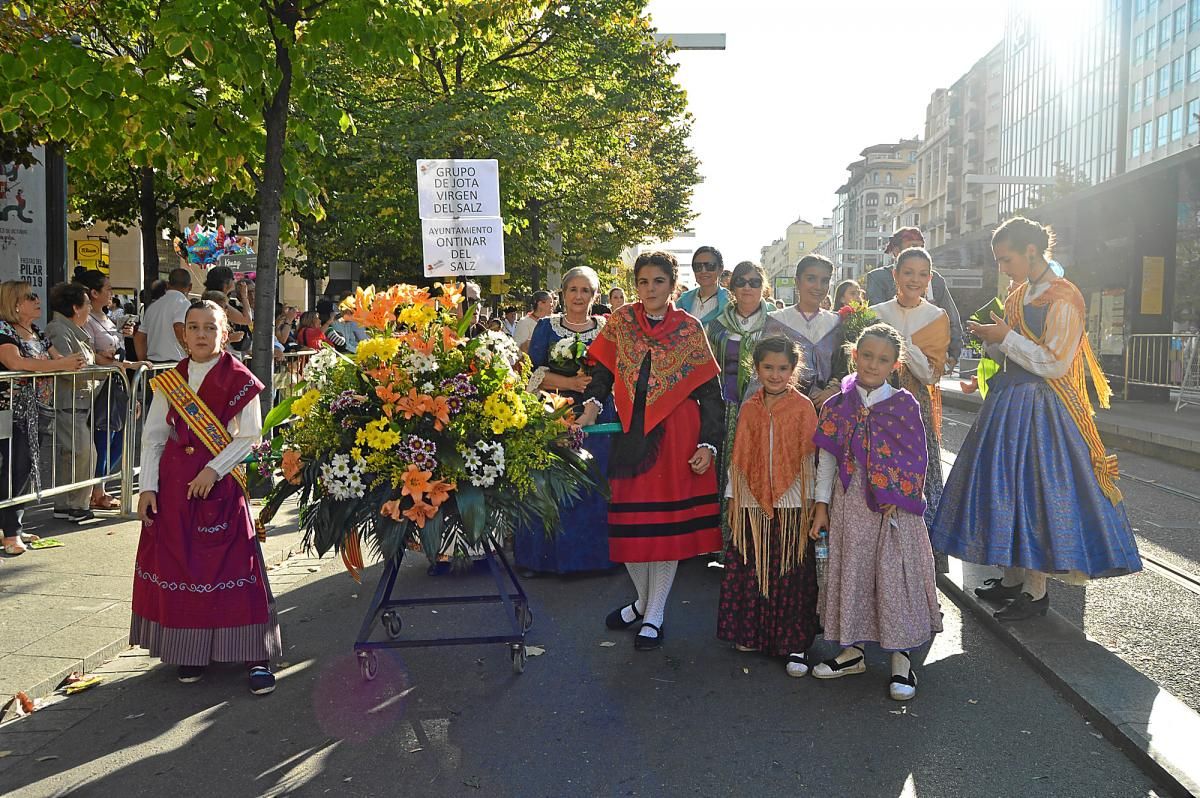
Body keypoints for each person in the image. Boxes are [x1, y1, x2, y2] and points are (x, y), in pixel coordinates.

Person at [930, 217, 1142, 621]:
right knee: (1003, 489)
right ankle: (1011, 579)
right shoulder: (1019, 294)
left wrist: (1004, 337)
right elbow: (1014, 355)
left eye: (1006, 259)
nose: (1002, 268)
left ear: (1031, 251)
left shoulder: (1064, 298)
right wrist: (993, 342)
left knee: (1037, 492)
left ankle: (1036, 590)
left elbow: (1055, 362)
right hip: (1009, 403)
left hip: (1045, 409)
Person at [576, 251, 723, 650]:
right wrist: (590, 406)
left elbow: (711, 394)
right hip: (630, 432)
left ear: (673, 285)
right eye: (643, 282)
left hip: (677, 434)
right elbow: (603, 373)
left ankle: (654, 613)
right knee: (630, 525)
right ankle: (643, 603)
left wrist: (708, 443)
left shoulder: (689, 328)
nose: (650, 289)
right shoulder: (621, 322)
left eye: (658, 281)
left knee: (665, 531)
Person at [131, 300, 280, 693]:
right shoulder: (171, 380)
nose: (200, 335)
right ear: (183, 334)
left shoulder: (240, 379)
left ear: (224, 334)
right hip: (175, 490)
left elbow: (249, 437)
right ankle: (191, 651)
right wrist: (147, 486)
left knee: (234, 569)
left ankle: (255, 655)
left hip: (221, 489)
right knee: (182, 566)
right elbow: (154, 437)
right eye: (193, 327)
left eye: (209, 328)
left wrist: (213, 470)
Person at [809, 323, 941, 701]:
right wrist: (822, 506)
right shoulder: (837, 405)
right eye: (866, 355)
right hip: (850, 504)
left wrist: (899, 494)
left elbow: (919, 458)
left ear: (894, 364)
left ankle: (901, 656)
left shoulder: (904, 405)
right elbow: (828, 460)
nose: (872, 364)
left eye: (882, 359)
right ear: (854, 355)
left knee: (894, 574)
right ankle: (854, 651)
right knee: (854, 572)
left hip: (891, 509)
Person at [717, 336, 820, 675]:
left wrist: (814, 504)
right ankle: (754, 634)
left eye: (783, 368)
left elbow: (810, 458)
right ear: (756, 368)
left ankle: (794, 643)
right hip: (751, 499)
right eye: (768, 368)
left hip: (793, 501)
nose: (775, 375)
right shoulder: (749, 407)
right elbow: (740, 458)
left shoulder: (804, 407)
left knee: (790, 571)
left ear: (794, 370)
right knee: (754, 568)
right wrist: (733, 498)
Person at [516, 266, 615, 574]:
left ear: (595, 295)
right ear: (562, 294)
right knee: (550, 484)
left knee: (591, 484)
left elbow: (612, 372)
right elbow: (531, 374)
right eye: (573, 289)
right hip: (553, 412)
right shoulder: (546, 327)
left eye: (586, 290)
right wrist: (569, 383)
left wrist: (593, 392)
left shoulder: (605, 327)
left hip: (596, 416)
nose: (579, 296)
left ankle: (594, 560)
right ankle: (541, 560)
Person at [0, 282, 86, 554]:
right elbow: (16, 363)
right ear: (14, 302)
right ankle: (11, 532)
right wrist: (60, 364)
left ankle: (14, 527)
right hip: (10, 411)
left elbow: (58, 358)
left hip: (39, 409)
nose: (38, 300)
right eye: (30, 297)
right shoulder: (4, 329)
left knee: (26, 468)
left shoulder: (35, 331)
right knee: (15, 467)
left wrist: (73, 361)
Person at [870, 247, 950, 528]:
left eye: (922, 274)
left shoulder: (936, 316)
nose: (914, 280)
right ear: (895, 275)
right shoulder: (874, 313)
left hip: (914, 407)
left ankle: (920, 549)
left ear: (929, 279)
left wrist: (902, 342)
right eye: (908, 272)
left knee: (915, 474)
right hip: (874, 405)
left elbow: (930, 374)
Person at [706, 261, 773, 553]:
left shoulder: (776, 323)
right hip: (728, 409)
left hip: (767, 410)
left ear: (764, 287)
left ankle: (759, 538)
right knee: (728, 471)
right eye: (742, 282)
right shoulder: (716, 325)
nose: (748, 287)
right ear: (731, 288)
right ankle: (726, 541)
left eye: (755, 281)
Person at [75, 268, 144, 511]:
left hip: (117, 383)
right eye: (107, 289)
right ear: (93, 293)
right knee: (103, 437)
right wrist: (109, 359)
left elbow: (118, 354)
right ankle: (97, 490)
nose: (111, 293)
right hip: (101, 385)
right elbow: (90, 354)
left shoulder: (109, 318)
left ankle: (99, 486)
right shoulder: (86, 322)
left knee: (119, 438)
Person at [864, 227, 964, 372]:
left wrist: (954, 354)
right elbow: (875, 322)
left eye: (921, 246)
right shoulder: (878, 278)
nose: (915, 280)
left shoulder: (936, 281)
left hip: (927, 366)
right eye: (912, 246)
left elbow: (952, 318)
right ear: (896, 251)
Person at [45, 283, 101, 524]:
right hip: (68, 401)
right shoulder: (59, 330)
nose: (90, 307)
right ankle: (74, 504)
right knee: (81, 454)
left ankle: (69, 504)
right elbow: (68, 368)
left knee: (77, 455)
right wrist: (102, 372)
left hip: (78, 401)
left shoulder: (71, 330)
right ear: (76, 307)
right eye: (87, 303)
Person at [764, 254, 845, 407]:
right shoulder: (778, 320)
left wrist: (834, 389)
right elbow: (764, 367)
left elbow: (844, 367)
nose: (818, 287)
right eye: (811, 278)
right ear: (797, 281)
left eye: (824, 281)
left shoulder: (836, 322)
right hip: (784, 406)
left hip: (827, 407)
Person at [136, 268, 192, 363]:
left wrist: (144, 361)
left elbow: (139, 337)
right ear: (190, 287)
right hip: (174, 364)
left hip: (153, 364)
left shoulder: (153, 306)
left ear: (167, 284)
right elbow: (178, 327)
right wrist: (190, 352)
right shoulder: (183, 303)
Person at [676, 246, 730, 325]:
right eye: (698, 267)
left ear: (720, 269)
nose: (703, 271)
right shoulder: (683, 300)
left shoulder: (729, 303)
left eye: (710, 266)